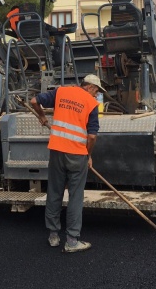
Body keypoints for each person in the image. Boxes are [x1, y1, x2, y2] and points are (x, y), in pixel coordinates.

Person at [30, 75, 103, 253]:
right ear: (91, 87)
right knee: (75, 196)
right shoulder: (91, 104)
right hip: (77, 155)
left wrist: (42, 116)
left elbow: (33, 100)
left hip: (56, 151)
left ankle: (53, 236)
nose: (97, 95)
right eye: (97, 91)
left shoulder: (61, 92)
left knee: (54, 192)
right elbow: (92, 136)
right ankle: (71, 241)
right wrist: (88, 155)